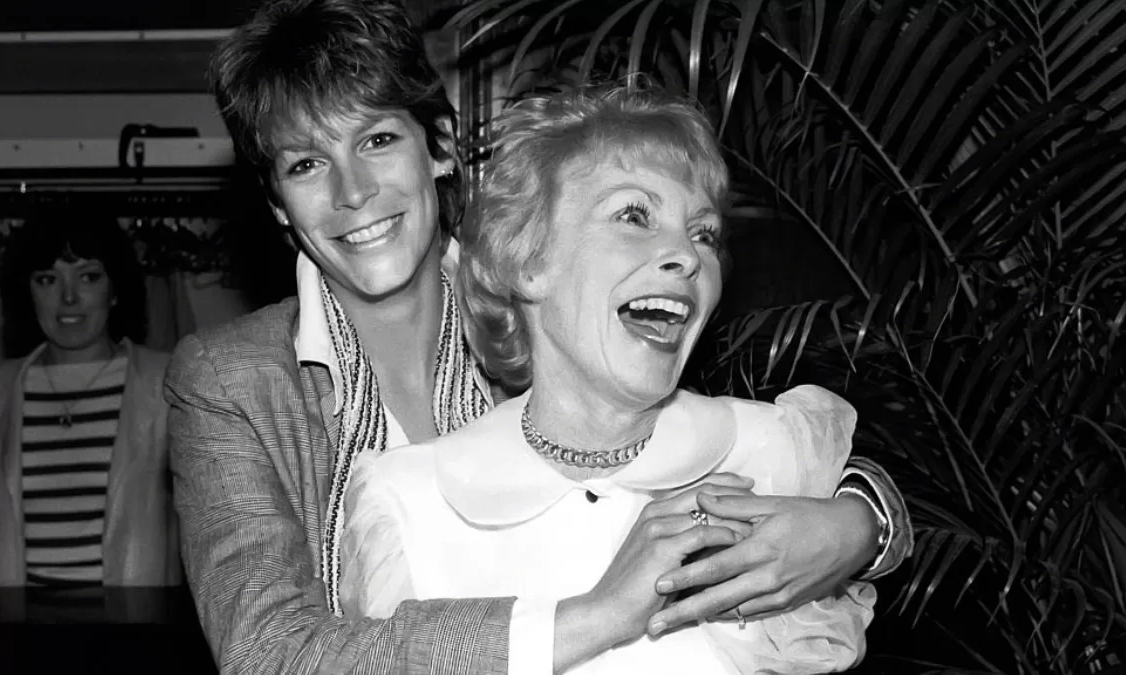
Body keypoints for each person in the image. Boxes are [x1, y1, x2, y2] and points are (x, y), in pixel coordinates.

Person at [165, 0, 912, 672]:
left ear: (441, 147)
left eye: (378, 139)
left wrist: (857, 525)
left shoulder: (558, 302)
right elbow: (268, 652)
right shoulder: (230, 380)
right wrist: (591, 615)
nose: (351, 191)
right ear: (276, 203)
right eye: (306, 163)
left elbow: (739, 436)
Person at [338, 84, 875, 674]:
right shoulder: (408, 506)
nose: (689, 257)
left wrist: (867, 524)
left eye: (704, 234)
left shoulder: (774, 453)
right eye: (634, 216)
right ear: (529, 261)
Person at [0, 211, 179, 592]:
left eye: (88, 277)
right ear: (27, 291)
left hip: (135, 637)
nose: (68, 297)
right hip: (16, 641)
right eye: (47, 280)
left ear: (115, 289)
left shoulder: (169, 386)